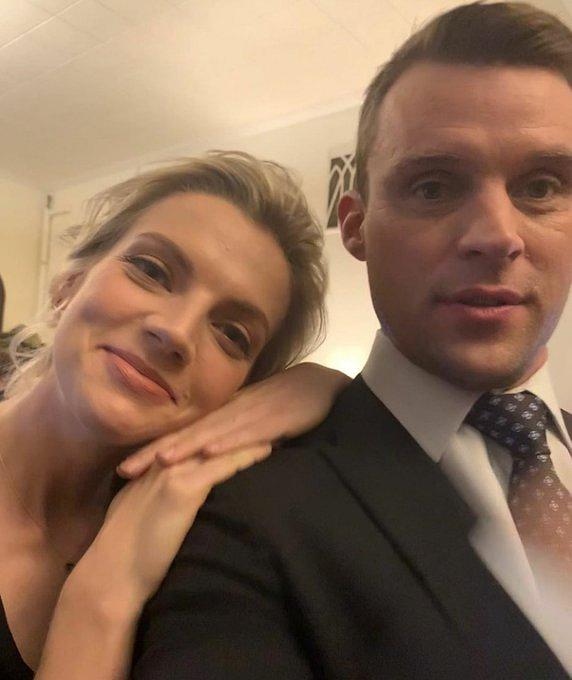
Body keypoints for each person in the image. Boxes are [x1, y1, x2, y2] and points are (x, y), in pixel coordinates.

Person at [129, 3, 572, 679]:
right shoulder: (243, 511)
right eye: (433, 186)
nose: (495, 235)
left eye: (541, 186)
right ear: (357, 226)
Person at [0, 151, 352, 679]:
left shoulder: (196, 549)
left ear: (242, 395)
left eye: (232, 334)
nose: (176, 332)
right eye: (151, 270)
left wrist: (325, 386)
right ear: (68, 284)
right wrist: (107, 591)